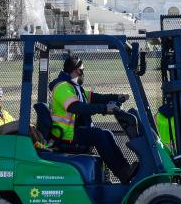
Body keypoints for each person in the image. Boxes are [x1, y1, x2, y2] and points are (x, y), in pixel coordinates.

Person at [49, 54, 138, 183]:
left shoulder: (74, 87)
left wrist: (116, 97)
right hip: (66, 135)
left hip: (74, 131)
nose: (83, 73)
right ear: (76, 70)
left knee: (107, 133)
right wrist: (104, 108)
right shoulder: (63, 87)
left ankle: (124, 170)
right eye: (82, 70)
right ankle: (122, 173)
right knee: (98, 135)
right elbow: (76, 107)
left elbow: (95, 97)